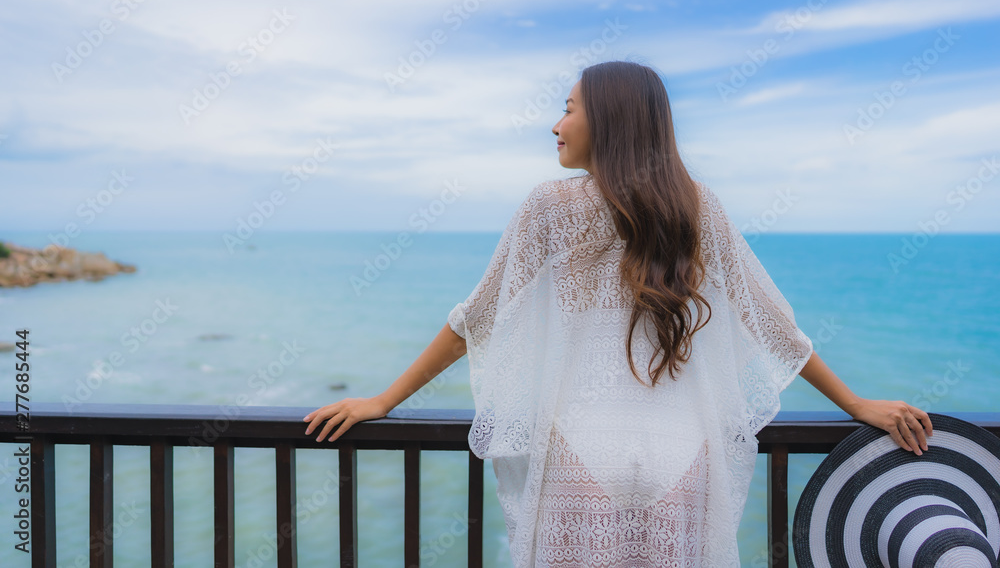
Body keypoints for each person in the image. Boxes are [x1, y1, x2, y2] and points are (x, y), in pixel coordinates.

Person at [303, 60, 934, 567]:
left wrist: (383, 402)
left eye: (570, 108)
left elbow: (478, 319)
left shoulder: (550, 207)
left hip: (580, 460)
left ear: (608, 120)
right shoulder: (697, 207)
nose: (556, 123)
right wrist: (854, 405)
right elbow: (771, 326)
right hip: (683, 463)